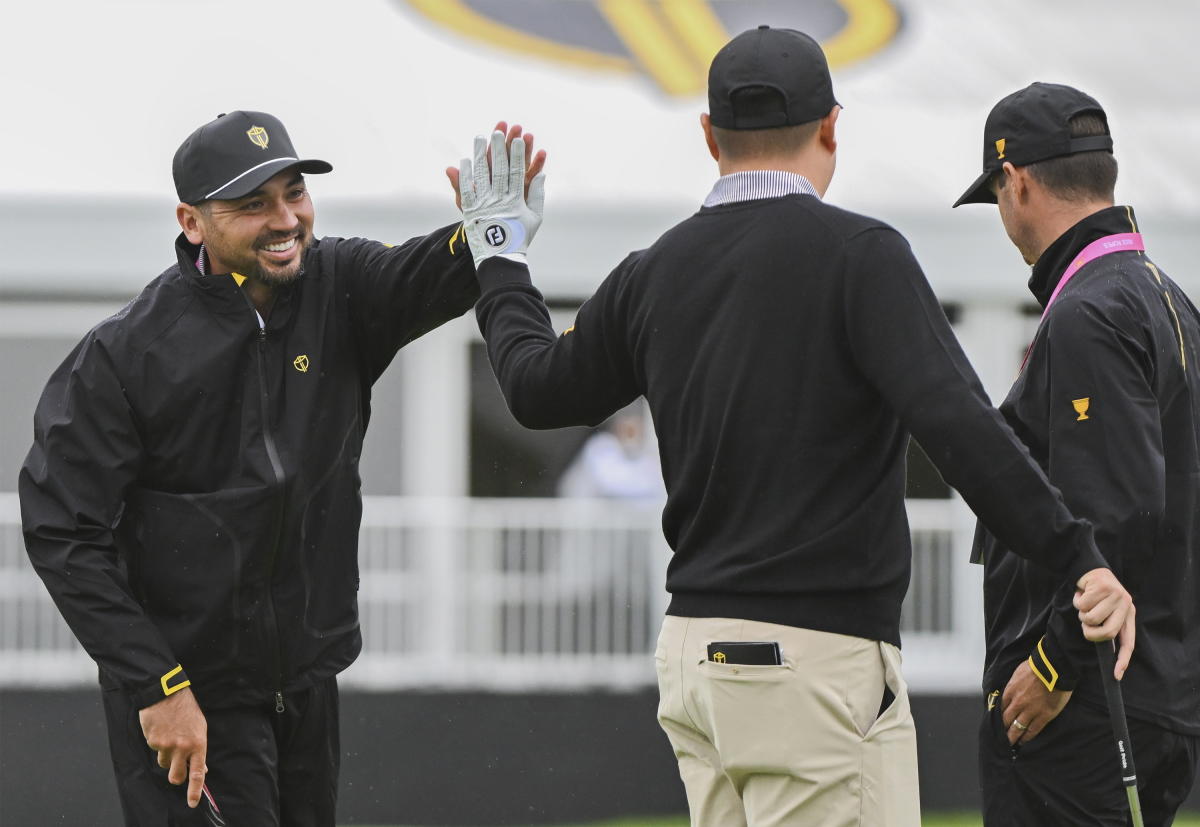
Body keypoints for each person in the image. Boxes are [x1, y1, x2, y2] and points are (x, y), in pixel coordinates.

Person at [452, 27, 1135, 826]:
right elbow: (961, 430)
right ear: (832, 128)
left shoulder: (653, 270)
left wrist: (497, 255)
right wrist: (1074, 555)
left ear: (708, 135)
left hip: (693, 663)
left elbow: (533, 388)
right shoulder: (861, 255)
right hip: (815, 664)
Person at [18, 110, 543, 826]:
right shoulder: (124, 355)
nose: (284, 218)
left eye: (293, 192)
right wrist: (157, 686)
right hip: (191, 700)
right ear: (193, 221)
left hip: (303, 689)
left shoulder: (340, 285)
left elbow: (423, 275)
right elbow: (62, 531)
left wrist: (490, 239)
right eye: (252, 203)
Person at [954, 82, 1200, 825]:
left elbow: (1116, 510)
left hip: (1088, 701)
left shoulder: (1091, 310)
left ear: (1016, 181)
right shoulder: (1169, 298)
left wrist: (1053, 664)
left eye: (997, 196)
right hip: (1155, 684)